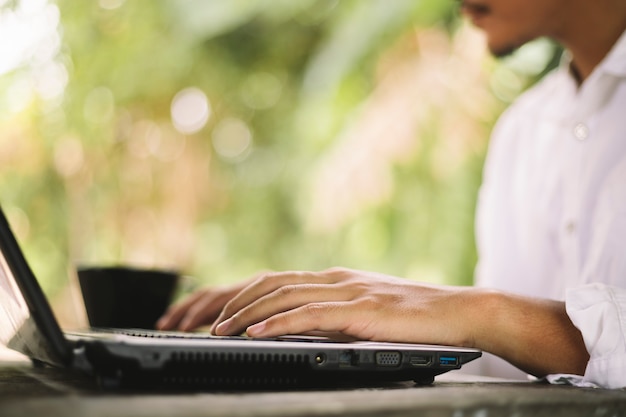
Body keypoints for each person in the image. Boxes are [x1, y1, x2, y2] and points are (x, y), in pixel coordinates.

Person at [157, 0, 626, 389]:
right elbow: (505, 372)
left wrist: (483, 312)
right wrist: (348, 331)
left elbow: (497, 328)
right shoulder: (525, 130)